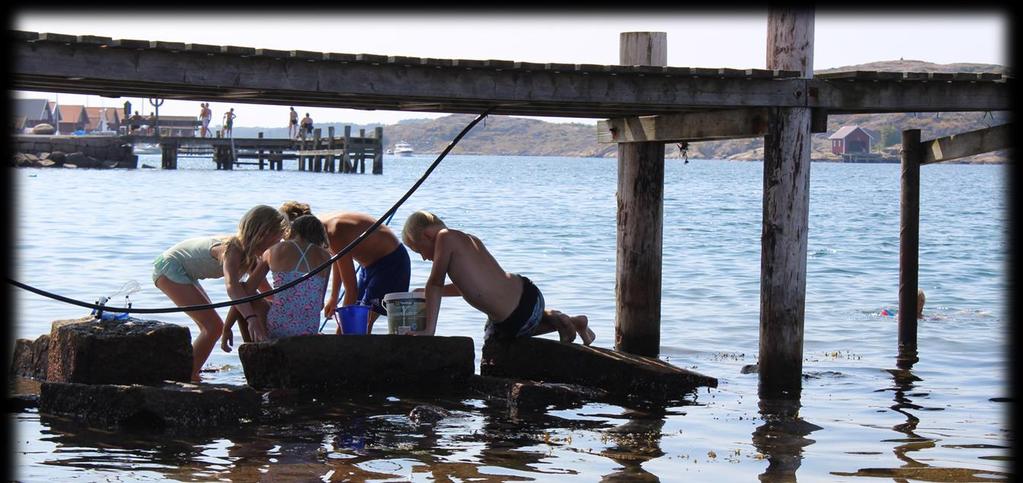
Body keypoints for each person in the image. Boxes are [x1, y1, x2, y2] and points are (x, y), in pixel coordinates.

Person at [401, 210, 594, 345]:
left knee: (495, 340)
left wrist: (428, 331)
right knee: (503, 325)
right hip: (529, 294)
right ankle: (571, 321)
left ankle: (560, 321)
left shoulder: (445, 237)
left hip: (515, 318)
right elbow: (469, 286)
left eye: (419, 251)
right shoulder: (469, 239)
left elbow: (435, 283)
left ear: (427, 235)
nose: (425, 258)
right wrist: (430, 293)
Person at [152, 205, 286, 382]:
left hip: (184, 272)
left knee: (209, 327)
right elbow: (232, 287)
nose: (280, 242)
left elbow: (259, 292)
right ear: (263, 233)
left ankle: (190, 370)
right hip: (169, 268)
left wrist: (287, 309)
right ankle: (187, 376)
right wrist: (251, 319)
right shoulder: (232, 249)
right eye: (278, 236)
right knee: (213, 327)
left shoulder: (253, 256)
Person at [279, 201, 411, 332]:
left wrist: (339, 334)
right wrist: (334, 296)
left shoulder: (333, 232)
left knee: (362, 322)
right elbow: (338, 259)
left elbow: (351, 289)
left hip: (391, 263)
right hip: (368, 266)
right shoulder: (320, 227)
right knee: (358, 317)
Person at [221, 214, 331, 350]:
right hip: (309, 329)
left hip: (278, 328)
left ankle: (254, 349)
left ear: (293, 231)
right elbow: (319, 303)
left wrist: (227, 327)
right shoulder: (326, 257)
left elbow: (247, 291)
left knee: (245, 292)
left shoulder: (273, 251)